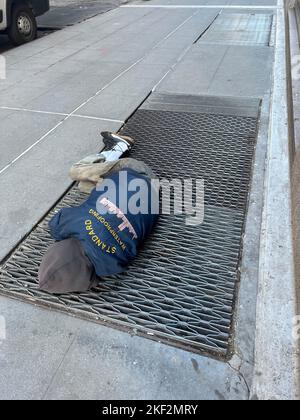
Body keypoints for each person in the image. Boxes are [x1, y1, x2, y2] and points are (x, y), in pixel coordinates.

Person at [38, 132, 159, 294]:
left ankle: (115, 154)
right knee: (76, 173)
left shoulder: (115, 263)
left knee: (86, 187)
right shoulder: (69, 222)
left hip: (153, 196)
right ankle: (119, 147)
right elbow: (56, 226)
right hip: (135, 172)